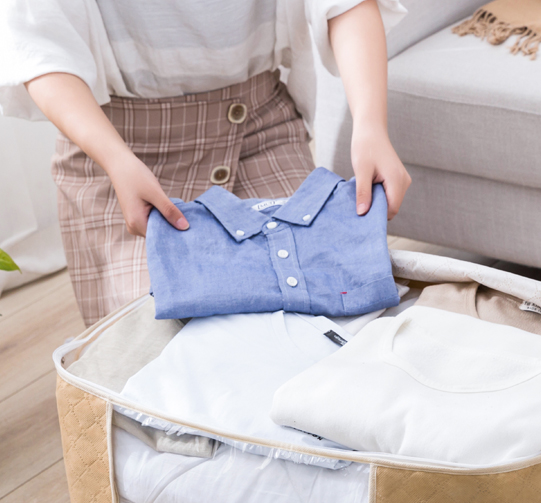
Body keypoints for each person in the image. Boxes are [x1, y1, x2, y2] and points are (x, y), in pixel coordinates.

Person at [0, 0, 411, 325]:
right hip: (116, 150)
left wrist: (371, 126)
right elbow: (39, 49)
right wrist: (117, 160)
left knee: (326, 316)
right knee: (157, 346)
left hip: (257, 127)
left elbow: (346, 4)